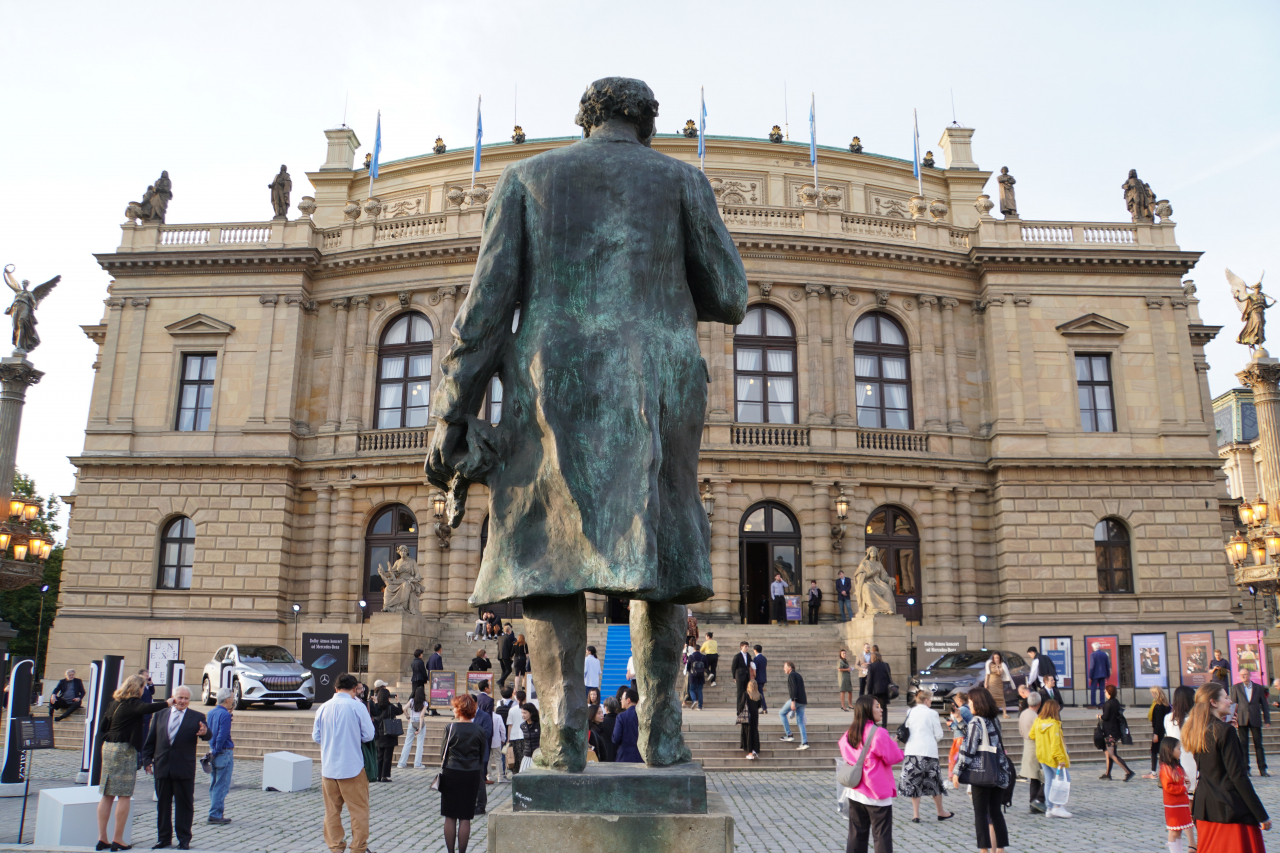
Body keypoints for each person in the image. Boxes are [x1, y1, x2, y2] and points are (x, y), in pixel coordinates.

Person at [1183, 681, 1271, 850]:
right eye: (1226, 697)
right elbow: (1238, 776)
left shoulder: (1197, 730)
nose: (1230, 701)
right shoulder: (1224, 731)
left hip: (1205, 806)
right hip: (1229, 809)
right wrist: (1261, 815)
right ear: (1213, 702)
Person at [96, 674, 172, 852]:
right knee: (124, 794)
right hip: (123, 750)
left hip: (108, 748)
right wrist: (168, 703)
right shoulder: (132, 703)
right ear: (138, 688)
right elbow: (148, 708)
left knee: (106, 794)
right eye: (143, 687)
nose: (143, 690)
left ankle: (102, 838)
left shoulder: (114, 703)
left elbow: (102, 728)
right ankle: (118, 839)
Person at [312, 673, 376, 853]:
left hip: (329, 767)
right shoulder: (357, 706)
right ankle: (358, 848)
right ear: (355, 689)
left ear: (335, 688)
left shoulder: (323, 707)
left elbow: (316, 736)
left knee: (332, 811)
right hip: (352, 767)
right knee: (359, 812)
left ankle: (336, 847)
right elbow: (369, 735)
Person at [141, 685, 210, 851]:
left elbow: (208, 734)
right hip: (162, 766)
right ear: (173, 698)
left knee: (184, 806)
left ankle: (184, 839)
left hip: (184, 768)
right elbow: (150, 740)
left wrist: (205, 732)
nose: (183, 701)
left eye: (186, 698)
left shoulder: (197, 716)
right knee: (163, 805)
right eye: (180, 698)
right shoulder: (160, 715)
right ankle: (163, 838)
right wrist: (146, 760)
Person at [840, 694, 905, 853]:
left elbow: (843, 747)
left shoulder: (851, 731)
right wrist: (894, 744)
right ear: (868, 710)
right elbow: (893, 757)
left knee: (856, 835)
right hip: (876, 792)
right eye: (877, 706)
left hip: (855, 790)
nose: (881, 709)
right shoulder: (879, 732)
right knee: (881, 836)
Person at [952, 686, 1012, 853]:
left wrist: (957, 771)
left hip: (982, 772)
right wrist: (959, 720)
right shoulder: (994, 720)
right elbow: (980, 739)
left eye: (970, 702)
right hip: (998, 771)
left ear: (977, 703)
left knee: (980, 813)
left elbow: (968, 749)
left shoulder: (977, 721)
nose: (969, 705)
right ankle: (1000, 849)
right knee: (995, 812)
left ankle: (983, 850)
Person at [439, 694, 487, 853]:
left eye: (454, 707)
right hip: (471, 772)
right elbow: (482, 755)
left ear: (459, 710)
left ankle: (451, 851)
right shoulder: (479, 730)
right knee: (465, 816)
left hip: (451, 772)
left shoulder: (450, 728)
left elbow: (442, 754)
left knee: (450, 815)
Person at [899, 689, 954, 823]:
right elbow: (939, 734)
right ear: (927, 700)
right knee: (934, 783)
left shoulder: (910, 711)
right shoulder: (932, 713)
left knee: (914, 783)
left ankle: (916, 815)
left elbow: (907, 726)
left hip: (912, 751)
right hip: (928, 751)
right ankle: (940, 812)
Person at [1030, 697, 1072, 818]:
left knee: (1049, 781)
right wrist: (1061, 759)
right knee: (1064, 779)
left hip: (1042, 756)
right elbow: (1055, 745)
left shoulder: (1038, 721)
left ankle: (1049, 808)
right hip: (1053, 758)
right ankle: (1057, 806)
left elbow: (1032, 734)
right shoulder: (1054, 724)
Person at [1230, 666, 1271, 776]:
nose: (1243, 676)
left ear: (1250, 675)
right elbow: (1233, 705)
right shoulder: (1236, 687)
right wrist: (1232, 720)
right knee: (1243, 745)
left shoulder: (1258, 688)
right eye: (1241, 675)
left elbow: (1264, 705)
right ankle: (1246, 769)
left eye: (1246, 674)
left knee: (1258, 745)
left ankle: (1262, 769)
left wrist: (1267, 720)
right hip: (1242, 719)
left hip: (1255, 718)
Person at [205, 688, 235, 825]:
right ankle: (215, 814)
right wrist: (217, 750)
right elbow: (222, 735)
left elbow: (211, 732)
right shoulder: (225, 715)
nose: (233, 700)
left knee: (214, 783)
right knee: (222, 785)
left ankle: (214, 812)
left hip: (213, 751)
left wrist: (213, 751)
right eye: (232, 698)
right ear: (227, 699)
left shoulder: (211, 712)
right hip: (222, 751)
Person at [1159, 737, 1194, 853]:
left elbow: (1179, 780)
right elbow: (1168, 787)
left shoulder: (1177, 767)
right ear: (1170, 750)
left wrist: (1185, 782)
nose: (1180, 751)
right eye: (1178, 749)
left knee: (1179, 830)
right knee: (1174, 831)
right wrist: (1183, 788)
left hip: (1181, 803)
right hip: (1173, 805)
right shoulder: (1166, 769)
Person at [1098, 684, 1134, 781]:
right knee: (1109, 753)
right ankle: (1108, 774)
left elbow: (1105, 717)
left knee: (1112, 754)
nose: (1104, 693)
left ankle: (1128, 771)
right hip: (1115, 731)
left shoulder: (1108, 704)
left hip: (1110, 733)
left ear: (1109, 693)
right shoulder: (1116, 702)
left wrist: (1099, 717)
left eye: (1105, 692)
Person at [1019, 690, 1045, 813]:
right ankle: (1037, 801)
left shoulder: (1023, 713)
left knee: (1034, 779)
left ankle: (1033, 803)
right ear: (1039, 703)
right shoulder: (1035, 717)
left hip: (1027, 746)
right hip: (1035, 748)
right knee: (1041, 778)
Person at [778, 661, 809, 749]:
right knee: (800, 722)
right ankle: (804, 742)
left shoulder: (791, 675)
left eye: (785, 667)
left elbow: (794, 689)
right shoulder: (798, 675)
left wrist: (793, 701)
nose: (784, 669)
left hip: (796, 700)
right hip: (802, 701)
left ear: (790, 668)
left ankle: (789, 734)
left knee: (782, 713)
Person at [1145, 686, 1172, 780]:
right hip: (1166, 730)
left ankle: (1153, 772)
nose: (1152, 695)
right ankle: (1165, 771)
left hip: (1159, 731)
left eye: (1152, 693)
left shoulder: (1157, 706)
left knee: (1154, 751)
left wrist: (1155, 734)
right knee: (1163, 752)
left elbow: (1158, 721)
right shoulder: (1167, 705)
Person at [398, 686, 427, 770]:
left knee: (408, 742)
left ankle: (401, 763)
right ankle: (417, 764)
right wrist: (420, 728)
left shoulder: (411, 701)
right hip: (420, 723)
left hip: (412, 721)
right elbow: (422, 716)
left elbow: (403, 709)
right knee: (420, 744)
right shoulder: (425, 703)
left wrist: (408, 717)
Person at [473, 680, 495, 785]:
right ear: (486, 688)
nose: (491, 687)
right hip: (484, 729)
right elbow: (489, 717)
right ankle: (484, 776)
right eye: (490, 686)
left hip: (475, 728)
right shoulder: (489, 700)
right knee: (485, 753)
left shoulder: (476, 698)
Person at [612, 688, 642, 762]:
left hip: (624, 757)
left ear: (628, 700)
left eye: (622, 698)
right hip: (641, 757)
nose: (620, 701)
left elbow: (616, 738)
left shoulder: (621, 717)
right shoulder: (644, 716)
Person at [984, 652, 1013, 719]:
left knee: (1001, 697)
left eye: (998, 658)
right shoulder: (990, 664)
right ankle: (991, 712)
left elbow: (999, 672)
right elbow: (987, 674)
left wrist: (997, 665)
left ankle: (1004, 713)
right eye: (995, 658)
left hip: (998, 683)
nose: (996, 659)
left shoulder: (1002, 665)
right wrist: (986, 683)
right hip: (991, 683)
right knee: (991, 698)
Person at [866, 650, 892, 719]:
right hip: (884, 690)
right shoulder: (886, 665)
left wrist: (868, 691)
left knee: (873, 707)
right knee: (884, 708)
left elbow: (869, 679)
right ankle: (884, 725)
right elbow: (889, 677)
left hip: (875, 690)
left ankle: (874, 723)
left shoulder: (871, 666)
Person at [740, 678, 761, 761]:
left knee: (748, 733)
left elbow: (741, 705)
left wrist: (739, 713)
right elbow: (759, 705)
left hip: (747, 715)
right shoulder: (758, 695)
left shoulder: (746, 694)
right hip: (755, 715)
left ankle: (750, 752)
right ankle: (755, 749)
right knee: (754, 731)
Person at [731, 641, 755, 714]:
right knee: (740, 693)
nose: (747, 648)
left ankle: (744, 708)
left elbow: (751, 664)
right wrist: (734, 677)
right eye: (745, 646)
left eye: (748, 646)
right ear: (741, 647)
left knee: (746, 693)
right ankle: (739, 709)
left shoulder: (748, 655)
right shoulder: (737, 656)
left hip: (747, 677)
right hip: (739, 677)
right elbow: (733, 667)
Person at [518, 703, 542, 771]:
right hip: (527, 755)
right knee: (522, 776)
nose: (523, 715)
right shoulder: (523, 726)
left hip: (538, 756)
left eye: (525, 713)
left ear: (531, 713)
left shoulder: (539, 724)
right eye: (522, 713)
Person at [1088, 642, 1111, 709]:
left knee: (1093, 689)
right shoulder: (1104, 654)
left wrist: (1090, 676)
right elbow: (1107, 665)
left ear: (1094, 648)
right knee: (1102, 689)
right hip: (1103, 674)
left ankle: (1093, 704)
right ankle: (1102, 704)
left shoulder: (1093, 655)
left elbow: (1092, 666)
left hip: (1095, 675)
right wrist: (1108, 675)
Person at [686, 642, 707, 710]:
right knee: (700, 691)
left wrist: (689, 671)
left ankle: (694, 700)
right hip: (701, 675)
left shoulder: (691, 656)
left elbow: (688, 667)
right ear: (700, 649)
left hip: (693, 676)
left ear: (694, 649)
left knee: (691, 689)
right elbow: (706, 666)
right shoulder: (703, 657)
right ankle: (700, 706)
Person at [599, 697, 620, 762]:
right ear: (617, 708)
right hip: (620, 753)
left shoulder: (602, 722)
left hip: (606, 753)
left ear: (606, 708)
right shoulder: (621, 720)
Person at [427, 644, 445, 716]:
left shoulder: (431, 657)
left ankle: (432, 709)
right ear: (440, 649)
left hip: (431, 678)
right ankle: (432, 709)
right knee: (435, 694)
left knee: (432, 694)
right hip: (436, 679)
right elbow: (439, 669)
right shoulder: (438, 657)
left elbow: (427, 666)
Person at [496, 625, 515, 689]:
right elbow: (510, 647)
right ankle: (500, 681)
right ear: (509, 630)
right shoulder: (509, 637)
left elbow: (498, 647)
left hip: (500, 655)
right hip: (506, 655)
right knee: (509, 670)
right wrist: (510, 655)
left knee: (504, 670)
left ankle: (501, 684)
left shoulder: (500, 637)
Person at [753, 644, 769, 713]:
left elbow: (755, 669)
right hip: (763, 678)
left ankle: (764, 708)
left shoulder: (756, 659)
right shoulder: (764, 658)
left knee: (760, 694)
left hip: (758, 678)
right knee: (759, 693)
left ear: (755, 650)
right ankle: (758, 706)